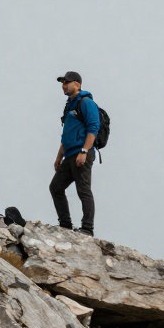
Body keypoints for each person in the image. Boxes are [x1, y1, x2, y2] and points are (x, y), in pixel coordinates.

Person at [50, 71, 100, 236]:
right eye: (62, 83)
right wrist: (59, 157)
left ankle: (87, 228)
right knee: (56, 187)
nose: (64, 85)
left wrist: (84, 151)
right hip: (69, 154)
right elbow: (66, 134)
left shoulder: (86, 103)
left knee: (83, 190)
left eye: (67, 82)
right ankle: (65, 225)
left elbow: (93, 128)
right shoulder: (69, 105)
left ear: (77, 84)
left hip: (81, 153)